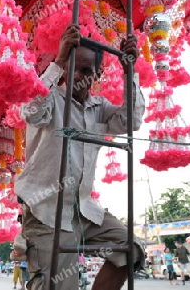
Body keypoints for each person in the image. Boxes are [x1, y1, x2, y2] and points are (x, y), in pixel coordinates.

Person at [15, 24, 146, 290]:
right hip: (45, 212)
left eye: (86, 70)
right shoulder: (51, 98)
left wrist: (130, 71)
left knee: (130, 251)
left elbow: (132, 120)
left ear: (97, 74)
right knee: (61, 286)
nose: (78, 75)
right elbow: (30, 110)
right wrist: (59, 59)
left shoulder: (99, 108)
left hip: (84, 211)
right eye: (73, 66)